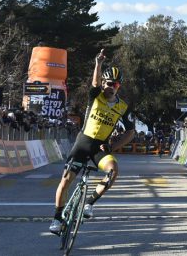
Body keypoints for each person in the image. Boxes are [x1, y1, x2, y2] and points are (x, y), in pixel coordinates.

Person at [49, 49, 135, 235]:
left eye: (114, 84)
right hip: (83, 143)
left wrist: (113, 146)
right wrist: (98, 63)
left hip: (100, 147)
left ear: (119, 86)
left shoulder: (122, 107)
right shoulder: (95, 96)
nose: (110, 87)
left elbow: (130, 132)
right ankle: (57, 218)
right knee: (65, 181)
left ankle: (88, 204)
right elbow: (94, 82)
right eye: (107, 83)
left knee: (113, 171)